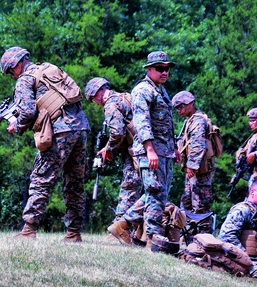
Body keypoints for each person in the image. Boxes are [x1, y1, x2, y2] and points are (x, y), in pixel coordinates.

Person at [0, 47, 89, 241]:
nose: (11, 76)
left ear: (16, 64)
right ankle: (74, 233)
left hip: (60, 132)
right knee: (75, 183)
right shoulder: (49, 68)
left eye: (10, 71)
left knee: (41, 178)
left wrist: (18, 125)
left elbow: (29, 112)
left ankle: (29, 230)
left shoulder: (25, 79)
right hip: (81, 128)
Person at [111, 52, 179, 247]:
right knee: (155, 192)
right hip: (150, 151)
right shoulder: (142, 90)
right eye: (160, 68)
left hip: (164, 151)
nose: (164, 72)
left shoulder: (160, 90)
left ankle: (122, 224)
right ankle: (152, 239)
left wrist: (174, 148)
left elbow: (166, 123)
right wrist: (150, 150)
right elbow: (142, 122)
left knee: (157, 194)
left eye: (167, 68)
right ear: (149, 69)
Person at [84, 77, 141, 233]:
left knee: (130, 188)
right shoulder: (125, 97)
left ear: (98, 92)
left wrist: (108, 149)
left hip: (136, 151)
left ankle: (120, 229)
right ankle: (135, 230)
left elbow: (118, 132)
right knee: (141, 189)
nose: (95, 103)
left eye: (92, 99)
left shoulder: (110, 104)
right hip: (142, 148)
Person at [171, 91, 214, 230]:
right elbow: (185, 142)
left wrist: (192, 166)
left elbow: (198, 145)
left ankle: (204, 239)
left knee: (200, 205)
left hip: (200, 170)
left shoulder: (198, 121)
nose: (178, 110)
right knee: (187, 202)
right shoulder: (190, 120)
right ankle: (188, 236)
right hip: (194, 170)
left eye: (180, 107)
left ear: (189, 104)